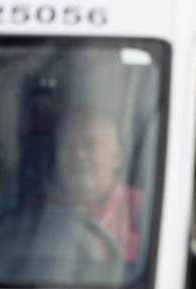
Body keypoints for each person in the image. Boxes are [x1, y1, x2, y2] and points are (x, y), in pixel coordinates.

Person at [49, 108, 142, 262]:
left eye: (90, 145)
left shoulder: (144, 212)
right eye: (69, 145)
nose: (78, 155)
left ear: (117, 156)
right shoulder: (36, 214)